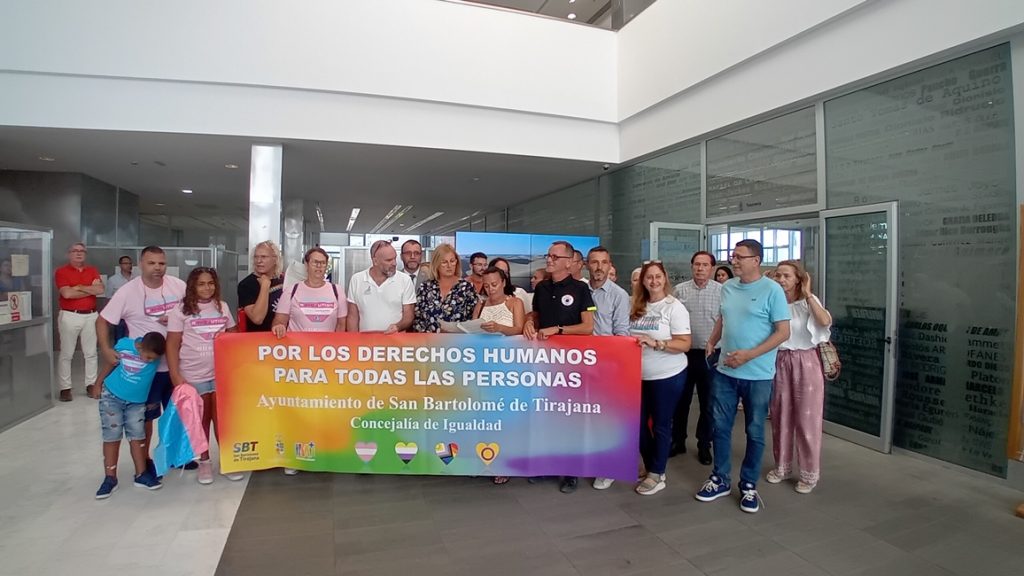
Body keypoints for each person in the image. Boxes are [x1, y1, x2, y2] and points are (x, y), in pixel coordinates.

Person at [695, 239, 790, 514]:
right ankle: (720, 479)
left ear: (756, 260)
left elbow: (783, 332)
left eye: (739, 257)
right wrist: (713, 339)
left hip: (758, 375)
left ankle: (748, 484)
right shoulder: (728, 287)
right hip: (725, 371)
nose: (733, 261)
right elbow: (723, 317)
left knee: (755, 430)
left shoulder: (772, 290)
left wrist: (749, 355)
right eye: (732, 256)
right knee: (720, 427)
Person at [98, 245, 187, 476]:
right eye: (151, 263)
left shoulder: (179, 286)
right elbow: (102, 320)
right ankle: (145, 461)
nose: (157, 268)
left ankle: (175, 455)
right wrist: (106, 349)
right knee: (145, 418)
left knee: (176, 414)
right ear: (140, 264)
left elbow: (193, 312)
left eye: (161, 263)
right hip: (146, 372)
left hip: (176, 365)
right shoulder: (127, 292)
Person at [524, 240, 595, 493]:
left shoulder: (581, 289)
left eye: (555, 257)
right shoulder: (542, 288)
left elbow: (588, 327)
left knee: (569, 418)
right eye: (548, 255)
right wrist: (529, 322)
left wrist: (560, 330)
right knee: (546, 414)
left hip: (571, 364)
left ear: (568, 262)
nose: (549, 259)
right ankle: (548, 464)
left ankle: (570, 471)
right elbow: (535, 315)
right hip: (544, 361)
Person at [166, 267, 242, 485]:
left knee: (222, 420)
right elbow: (172, 344)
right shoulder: (180, 310)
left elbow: (234, 334)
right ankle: (205, 462)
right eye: (201, 284)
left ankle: (227, 461)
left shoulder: (222, 307)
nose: (207, 288)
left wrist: (225, 338)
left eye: (210, 283)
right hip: (193, 375)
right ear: (192, 286)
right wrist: (175, 375)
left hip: (220, 373)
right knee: (201, 421)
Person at [767, 260, 832, 494]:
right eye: (778, 275)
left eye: (786, 276)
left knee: (807, 420)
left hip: (807, 361)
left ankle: (809, 473)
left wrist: (808, 294)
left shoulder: (808, 302)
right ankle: (782, 466)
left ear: (798, 279)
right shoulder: (773, 301)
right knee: (780, 416)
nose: (781, 280)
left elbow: (825, 321)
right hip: (780, 360)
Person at [630, 261, 692, 495]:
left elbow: (684, 344)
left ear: (665, 278)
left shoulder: (674, 307)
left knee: (661, 424)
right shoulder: (636, 305)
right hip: (638, 375)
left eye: (658, 276)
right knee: (637, 424)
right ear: (643, 281)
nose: (654, 281)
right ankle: (651, 465)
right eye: (649, 277)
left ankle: (657, 473)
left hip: (667, 375)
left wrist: (657, 343)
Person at [89, 331, 167, 498]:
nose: (151, 361)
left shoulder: (155, 357)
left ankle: (141, 474)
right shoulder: (124, 346)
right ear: (141, 347)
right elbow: (110, 364)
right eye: (148, 357)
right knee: (112, 435)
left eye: (154, 359)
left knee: (138, 436)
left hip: (136, 403)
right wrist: (98, 383)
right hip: (112, 397)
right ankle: (110, 478)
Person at [472, 265, 525, 485]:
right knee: (483, 417)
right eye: (486, 286)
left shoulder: (514, 302)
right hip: (483, 366)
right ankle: (482, 459)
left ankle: (504, 462)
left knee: (504, 418)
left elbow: (519, 329)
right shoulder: (481, 304)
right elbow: (472, 329)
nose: (490, 289)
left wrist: (500, 328)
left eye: (494, 284)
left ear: (503, 282)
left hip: (507, 366)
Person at [584, 246, 631, 491]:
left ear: (610, 265)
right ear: (587, 265)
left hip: (605, 364)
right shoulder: (580, 290)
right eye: (594, 262)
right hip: (578, 362)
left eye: (604, 262)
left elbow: (621, 333)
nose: (599, 267)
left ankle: (607, 468)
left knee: (606, 418)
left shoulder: (618, 295)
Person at [671, 251, 722, 466]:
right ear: (692, 266)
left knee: (708, 402)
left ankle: (704, 444)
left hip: (711, 355)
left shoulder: (722, 291)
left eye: (705, 265)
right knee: (680, 401)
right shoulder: (679, 290)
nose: (700, 268)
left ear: (712, 268)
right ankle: (678, 440)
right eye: (697, 264)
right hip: (684, 354)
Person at [55, 242, 105, 402]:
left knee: (91, 353)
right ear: (69, 254)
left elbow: (100, 290)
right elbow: (67, 294)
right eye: (75, 251)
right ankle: (65, 388)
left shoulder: (92, 270)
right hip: (70, 315)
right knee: (66, 353)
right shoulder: (62, 271)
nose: (78, 253)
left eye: (82, 251)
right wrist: (89, 289)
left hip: (91, 315)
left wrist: (78, 287)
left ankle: (91, 384)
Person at [273, 247, 348, 336]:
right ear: (306, 264)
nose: (319, 266)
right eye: (315, 262)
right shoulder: (291, 291)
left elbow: (341, 325)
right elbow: (279, 321)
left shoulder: (337, 291)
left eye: (323, 263)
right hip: (297, 344)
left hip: (327, 344)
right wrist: (279, 327)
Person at [347, 240, 415, 333]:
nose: (394, 263)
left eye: (395, 258)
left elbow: (409, 316)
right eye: (389, 260)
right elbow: (352, 317)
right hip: (365, 340)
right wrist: (353, 340)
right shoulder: (357, 279)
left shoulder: (405, 280)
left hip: (396, 340)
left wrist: (397, 327)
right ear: (375, 261)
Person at [413, 244, 477, 333]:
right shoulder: (425, 287)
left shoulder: (467, 288)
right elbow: (417, 319)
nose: (449, 265)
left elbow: (473, 321)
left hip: (458, 340)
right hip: (428, 340)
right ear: (436, 264)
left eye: (452, 261)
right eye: (444, 262)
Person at [238, 240, 284, 333]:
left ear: (275, 259)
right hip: (258, 338)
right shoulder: (246, 285)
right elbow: (257, 318)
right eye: (256, 257)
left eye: (264, 257)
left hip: (283, 337)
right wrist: (265, 286)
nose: (259, 261)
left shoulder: (283, 280)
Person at [105, 255, 134, 341]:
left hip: (133, 314)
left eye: (130, 263)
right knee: (119, 338)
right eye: (126, 263)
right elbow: (109, 298)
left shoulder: (137, 279)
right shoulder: (113, 280)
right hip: (120, 315)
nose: (128, 265)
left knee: (133, 338)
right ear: (120, 265)